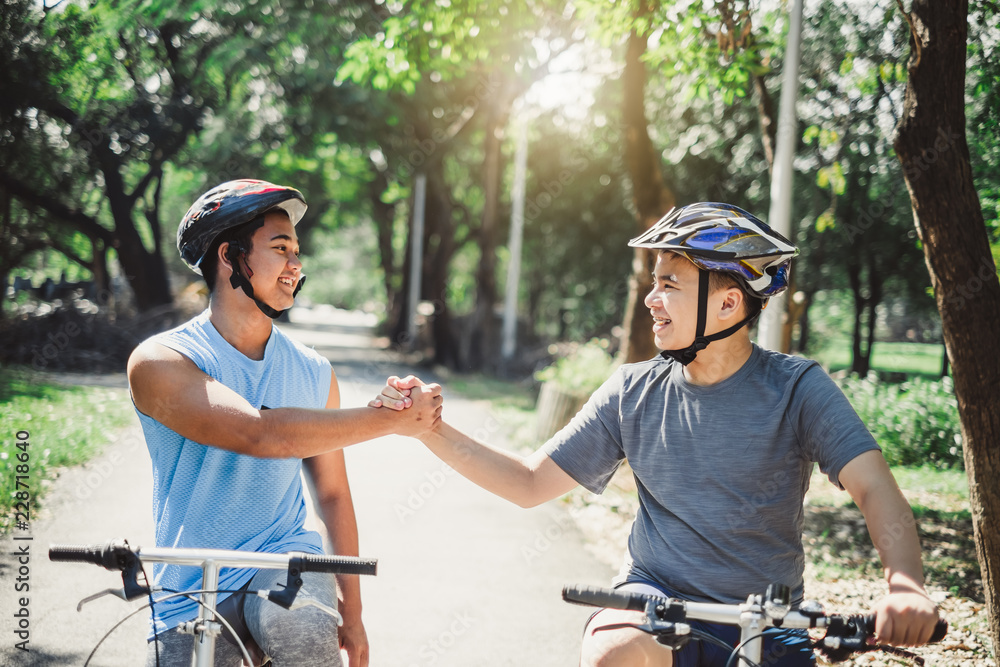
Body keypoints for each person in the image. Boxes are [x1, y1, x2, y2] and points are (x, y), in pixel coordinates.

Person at [372, 202, 940, 667]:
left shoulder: (797, 389)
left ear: (726, 303)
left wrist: (905, 584)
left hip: (765, 615)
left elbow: (874, 488)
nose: (650, 298)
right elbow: (527, 482)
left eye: (669, 283)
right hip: (654, 601)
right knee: (613, 653)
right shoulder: (633, 390)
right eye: (653, 282)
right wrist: (432, 430)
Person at [127, 179, 442, 667]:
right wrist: (390, 420)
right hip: (188, 580)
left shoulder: (313, 371)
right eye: (280, 249)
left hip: (282, 559)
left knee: (300, 632)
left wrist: (353, 616)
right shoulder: (160, 361)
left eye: (297, 250)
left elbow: (332, 493)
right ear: (230, 256)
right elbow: (259, 434)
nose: (296, 265)